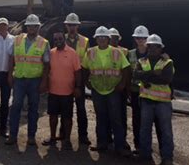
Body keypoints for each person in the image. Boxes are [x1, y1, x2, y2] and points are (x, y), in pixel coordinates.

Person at [82, 26, 131, 156]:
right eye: (99, 37)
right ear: (96, 39)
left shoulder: (117, 52)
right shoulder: (90, 52)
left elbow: (126, 68)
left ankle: (119, 146)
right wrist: (87, 82)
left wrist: (122, 83)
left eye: (104, 37)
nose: (102, 39)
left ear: (108, 39)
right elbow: (84, 68)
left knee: (116, 118)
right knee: (101, 117)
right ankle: (102, 143)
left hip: (113, 90)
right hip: (97, 90)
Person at [6, 14, 50, 146]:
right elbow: (11, 58)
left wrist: (44, 81)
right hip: (19, 79)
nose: (31, 28)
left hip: (35, 81)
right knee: (15, 106)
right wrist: (9, 74)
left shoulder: (44, 43)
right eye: (29, 26)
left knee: (33, 108)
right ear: (27, 27)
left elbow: (47, 64)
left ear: (38, 27)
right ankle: (12, 135)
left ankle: (31, 136)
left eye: (34, 26)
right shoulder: (18, 39)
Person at [134, 34, 175, 165]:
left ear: (160, 48)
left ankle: (167, 157)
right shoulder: (141, 61)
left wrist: (146, 77)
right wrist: (154, 73)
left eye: (156, 47)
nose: (152, 49)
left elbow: (165, 79)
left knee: (165, 130)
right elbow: (136, 75)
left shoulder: (167, 62)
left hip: (163, 102)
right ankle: (145, 155)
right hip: (146, 100)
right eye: (150, 46)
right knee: (145, 128)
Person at [42, 31, 82, 150]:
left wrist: (78, 87)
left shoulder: (72, 53)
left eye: (60, 38)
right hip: (53, 91)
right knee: (52, 116)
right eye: (55, 39)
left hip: (67, 92)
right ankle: (53, 137)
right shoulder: (51, 53)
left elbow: (78, 72)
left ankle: (67, 140)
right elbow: (46, 69)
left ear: (64, 39)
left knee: (67, 118)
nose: (58, 41)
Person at [63, 12, 91, 145]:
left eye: (74, 25)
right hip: (65, 79)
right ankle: (63, 133)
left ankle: (83, 135)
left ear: (78, 26)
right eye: (69, 25)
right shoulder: (60, 40)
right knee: (65, 109)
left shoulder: (84, 41)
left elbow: (87, 63)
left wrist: (83, 82)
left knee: (81, 109)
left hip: (79, 79)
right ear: (66, 26)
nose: (72, 27)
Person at [128, 25, 150, 153]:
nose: (140, 40)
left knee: (148, 120)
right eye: (138, 37)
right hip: (135, 91)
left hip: (149, 92)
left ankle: (146, 146)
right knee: (137, 118)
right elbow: (127, 73)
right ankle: (138, 144)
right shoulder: (130, 54)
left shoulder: (153, 53)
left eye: (142, 37)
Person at [108, 27, 131, 149]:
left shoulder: (124, 51)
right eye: (111, 38)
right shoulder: (103, 50)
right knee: (107, 114)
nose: (113, 40)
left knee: (121, 115)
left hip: (120, 88)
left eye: (115, 38)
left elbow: (128, 70)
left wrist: (126, 87)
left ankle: (122, 139)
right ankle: (107, 138)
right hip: (107, 87)